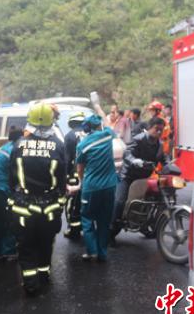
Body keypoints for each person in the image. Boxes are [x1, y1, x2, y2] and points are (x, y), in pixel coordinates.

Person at [8, 102, 66, 295]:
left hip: (23, 207)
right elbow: (61, 179)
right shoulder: (58, 145)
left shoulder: (18, 145)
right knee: (45, 243)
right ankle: (44, 276)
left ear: (30, 122)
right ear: (51, 122)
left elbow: (12, 177)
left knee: (26, 246)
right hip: (48, 207)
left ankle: (31, 285)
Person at [111, 117, 169, 243]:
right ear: (149, 128)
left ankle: (146, 225)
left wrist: (170, 166)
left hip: (143, 178)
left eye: (161, 130)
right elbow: (128, 153)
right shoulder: (139, 139)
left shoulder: (159, 144)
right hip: (128, 177)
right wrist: (135, 161)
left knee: (156, 198)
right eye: (156, 129)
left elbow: (163, 159)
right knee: (120, 201)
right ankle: (110, 232)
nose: (159, 132)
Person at [73, 114, 118, 261]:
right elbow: (109, 124)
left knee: (87, 218)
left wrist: (81, 182)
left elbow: (80, 168)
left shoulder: (82, 145)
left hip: (91, 187)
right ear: (99, 125)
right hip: (110, 186)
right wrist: (98, 108)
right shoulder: (107, 135)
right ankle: (102, 253)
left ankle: (92, 251)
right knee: (104, 220)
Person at [0, 127, 23, 261]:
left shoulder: (6, 146)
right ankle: (9, 251)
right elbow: (18, 174)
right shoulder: (14, 150)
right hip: (1, 190)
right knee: (10, 220)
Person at [63, 111, 86, 239]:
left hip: (75, 174)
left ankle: (74, 229)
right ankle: (85, 227)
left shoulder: (70, 136)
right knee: (85, 201)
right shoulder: (90, 134)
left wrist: (64, 177)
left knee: (72, 202)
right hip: (89, 174)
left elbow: (67, 159)